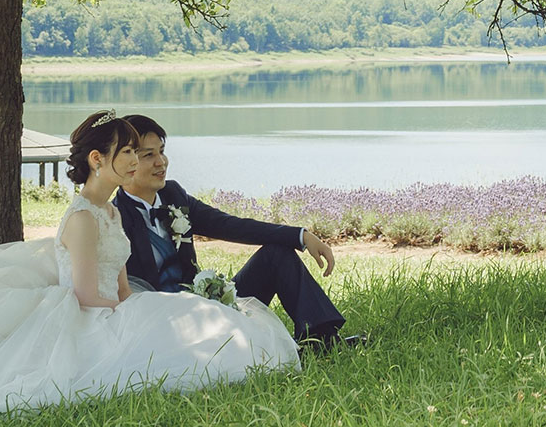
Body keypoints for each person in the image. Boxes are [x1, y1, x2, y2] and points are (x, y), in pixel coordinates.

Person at [0, 111, 298, 423]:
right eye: (128, 151)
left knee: (203, 328)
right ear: (98, 159)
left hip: (117, 303)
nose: (136, 160)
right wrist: (134, 313)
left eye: (138, 151)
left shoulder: (110, 211)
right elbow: (89, 295)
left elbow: (121, 287)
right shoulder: (85, 216)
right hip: (85, 312)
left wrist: (143, 308)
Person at [112, 114, 362, 353]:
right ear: (128, 162)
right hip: (165, 326)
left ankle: (323, 339)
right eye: (149, 155)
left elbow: (232, 225)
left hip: (206, 306)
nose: (161, 162)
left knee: (277, 255)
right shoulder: (113, 219)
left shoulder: (174, 196)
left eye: (162, 152)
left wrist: (300, 236)